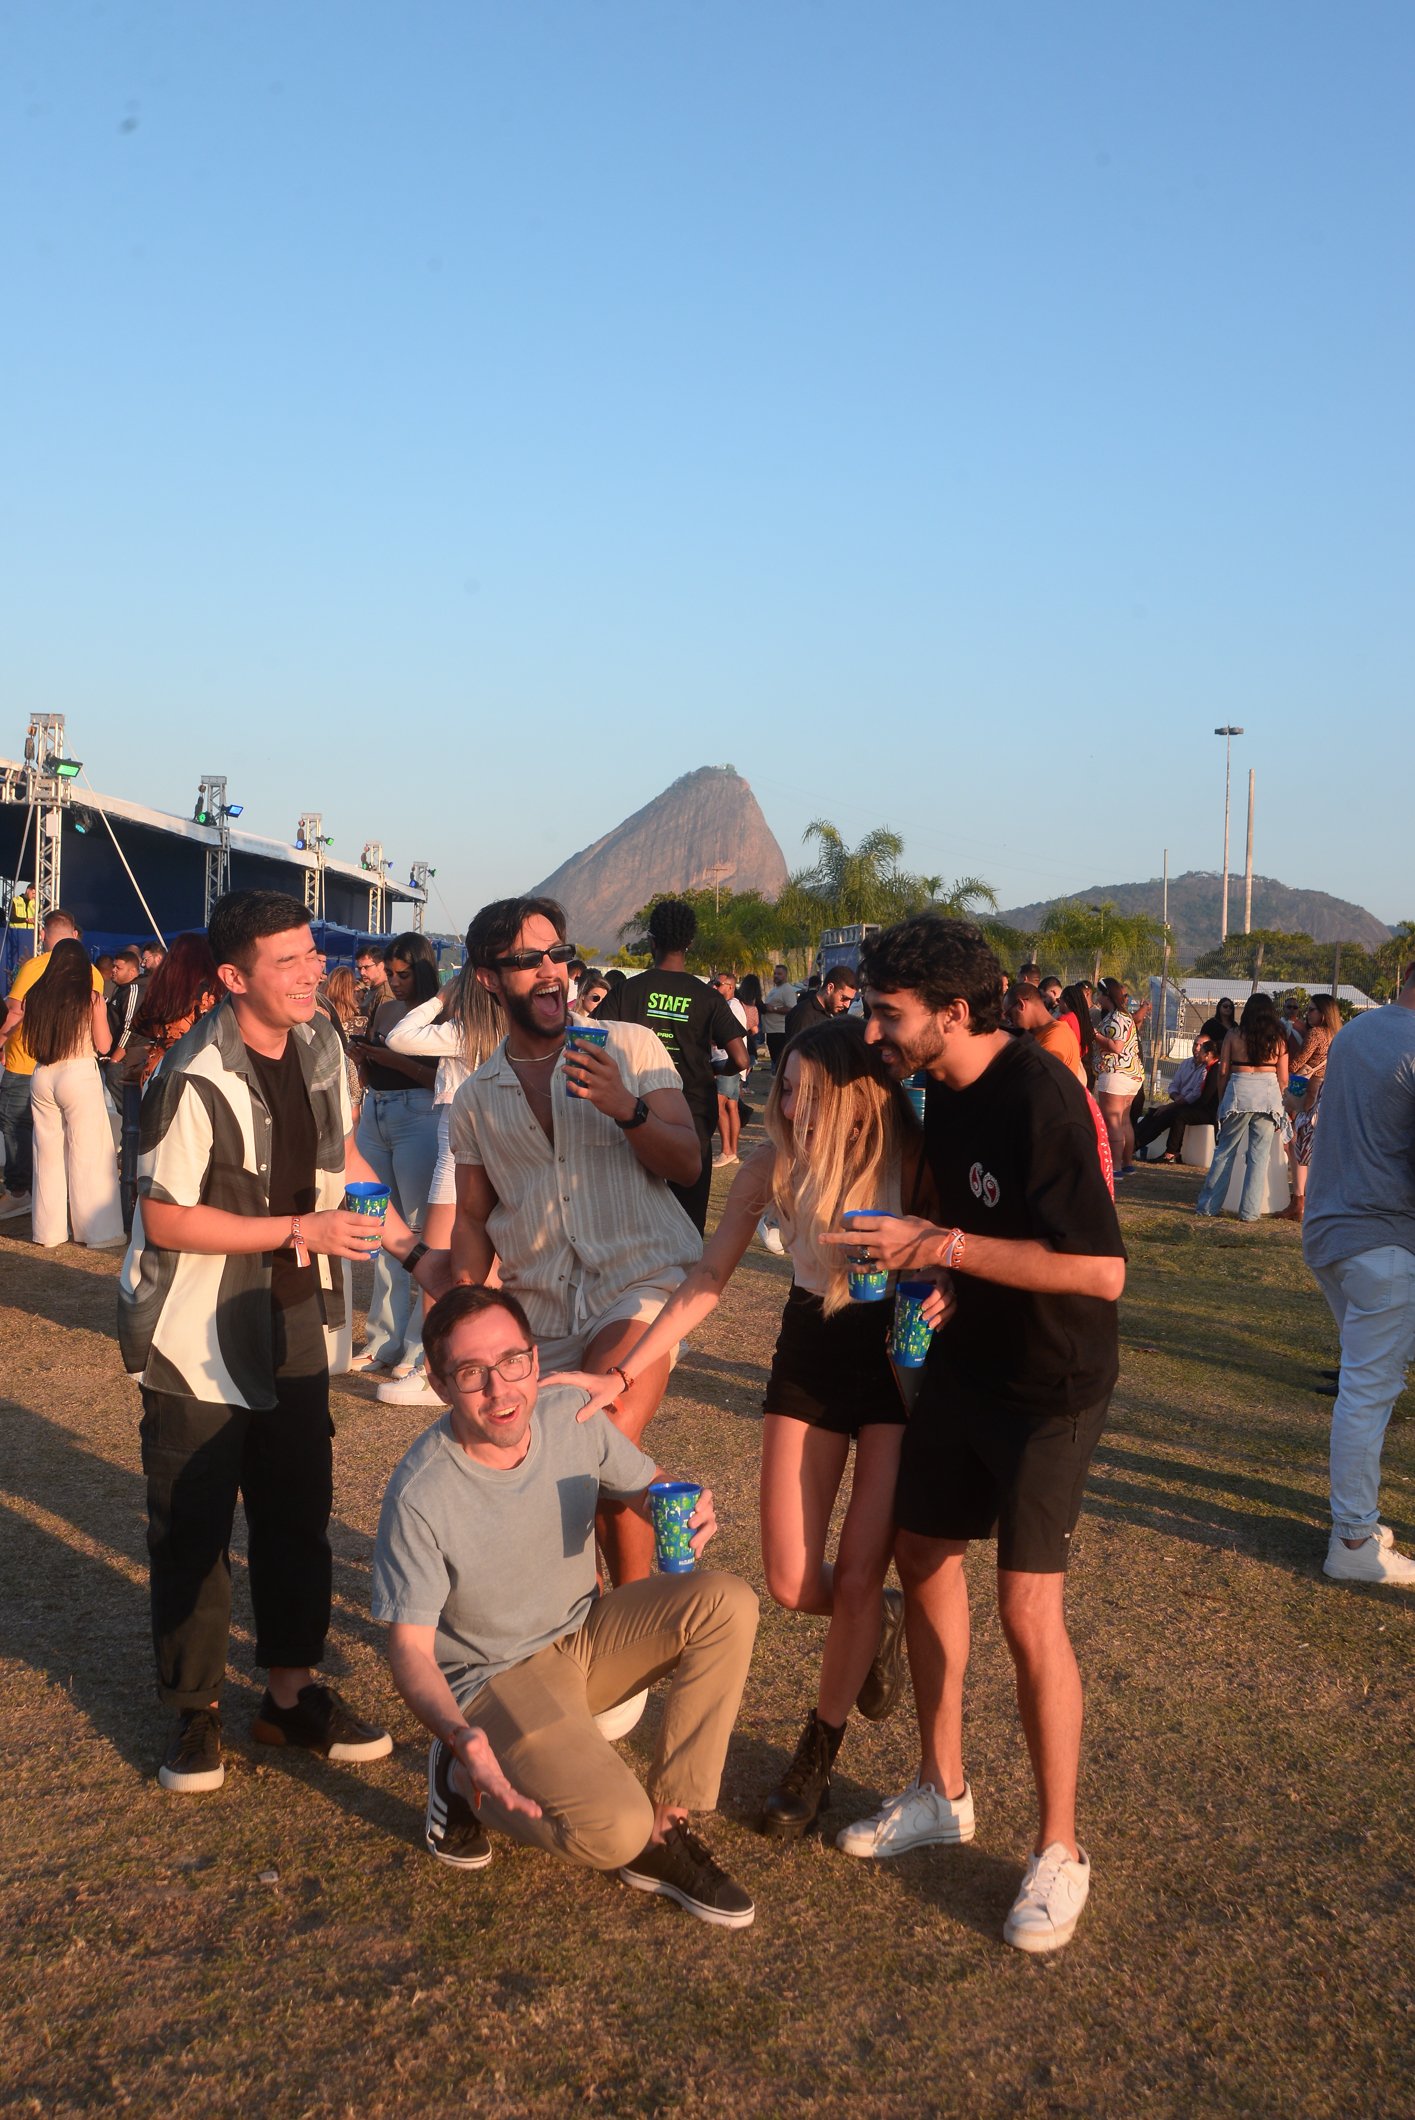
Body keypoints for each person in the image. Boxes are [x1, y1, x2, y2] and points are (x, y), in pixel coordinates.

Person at [819, 916, 1126, 1956]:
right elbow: (987, 1236)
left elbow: (1098, 1271)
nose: (869, 1029)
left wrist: (941, 1245)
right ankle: (940, 1788)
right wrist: (949, 1274)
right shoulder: (937, 1089)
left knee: (1025, 1608)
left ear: (953, 1012)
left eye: (886, 1012)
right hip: (968, 1364)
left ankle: (1059, 1847)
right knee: (920, 1555)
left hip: (1051, 1382)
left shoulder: (1043, 1094)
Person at [119, 889, 446, 1793]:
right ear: (235, 978)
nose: (313, 973)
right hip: (197, 1331)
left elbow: (346, 1158)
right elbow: (166, 1218)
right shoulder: (192, 1073)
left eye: (312, 954)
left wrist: (415, 1253)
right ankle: (194, 1711)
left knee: (297, 1510)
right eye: (289, 961)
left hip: (297, 1316)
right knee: (192, 1524)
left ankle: (291, 1696)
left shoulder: (322, 1044)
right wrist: (302, 1230)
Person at [562, 1018, 923, 1838]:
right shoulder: (769, 1163)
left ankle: (816, 1755)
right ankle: (879, 1618)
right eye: (784, 1089)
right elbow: (707, 1274)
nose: (790, 1109)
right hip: (811, 1351)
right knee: (792, 1583)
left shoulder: (910, 1157)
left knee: (855, 1574)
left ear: (856, 1096)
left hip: (896, 1360)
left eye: (810, 1094)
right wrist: (623, 1371)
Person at [373, 1284, 758, 1924]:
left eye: (513, 1361)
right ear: (439, 1386)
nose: (501, 1390)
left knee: (726, 1602)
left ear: (535, 1356)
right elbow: (410, 1653)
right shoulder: (420, 1494)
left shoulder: (569, 1415)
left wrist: (684, 1503)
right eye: (471, 1373)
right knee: (613, 1830)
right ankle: (460, 1777)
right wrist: (461, 1736)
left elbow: (646, 1485)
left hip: (583, 1634)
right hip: (495, 1677)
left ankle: (667, 1830)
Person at [450, 896, 702, 1584]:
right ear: (488, 978)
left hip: (639, 1281)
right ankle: (585, 1621)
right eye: (526, 960)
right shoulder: (476, 1097)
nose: (551, 971)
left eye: (558, 954)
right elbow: (471, 1218)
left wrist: (626, 1107)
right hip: (540, 1308)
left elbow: (687, 1162)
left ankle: (629, 1628)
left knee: (600, 1430)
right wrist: (465, 1311)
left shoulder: (630, 1047)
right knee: (573, 1484)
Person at [1302, 963, 1415, 1586]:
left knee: (1366, 1383)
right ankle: (1352, 1539)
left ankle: (1358, 1526)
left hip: (1332, 1232)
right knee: (1369, 1392)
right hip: (1384, 1241)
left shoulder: (1358, 1034)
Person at [380, 964, 504, 1404]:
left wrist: (439, 998)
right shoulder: (502, 1034)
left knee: (437, 1261)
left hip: (457, 1155)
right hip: (492, 1151)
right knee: (487, 1266)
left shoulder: (461, 1032)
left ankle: (434, 1370)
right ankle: (468, 1362)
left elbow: (398, 1036)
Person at [593, 900, 747, 1232]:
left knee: (633, 1221)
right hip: (692, 1117)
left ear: (651, 941)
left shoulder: (627, 991)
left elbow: (591, 1038)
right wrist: (715, 1072)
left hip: (635, 1113)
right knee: (688, 1224)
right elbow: (742, 1059)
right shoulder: (707, 997)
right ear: (689, 942)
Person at [348, 934, 442, 1385]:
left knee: (421, 1232)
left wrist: (391, 1057)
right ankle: (383, 1338)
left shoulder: (442, 1014)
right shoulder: (384, 1009)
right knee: (379, 1226)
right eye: (390, 973)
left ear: (422, 970)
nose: (395, 981)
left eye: (403, 974)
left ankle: (420, 1345)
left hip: (419, 1114)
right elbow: (373, 1074)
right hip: (377, 1111)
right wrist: (364, 1058)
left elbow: (440, 1079)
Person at [0, 907, 104, 1221]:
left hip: (29, 1062)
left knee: (22, 1131)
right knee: (75, 1143)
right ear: (75, 935)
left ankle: (22, 1194)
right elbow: (100, 1036)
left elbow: (15, 1010)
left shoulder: (35, 967)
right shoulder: (93, 974)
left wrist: (2, 1040)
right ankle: (80, 1212)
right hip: (76, 1066)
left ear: (44, 935)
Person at [21, 937, 124, 1247]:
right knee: (88, 1153)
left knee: (47, 1155)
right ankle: (97, 1232)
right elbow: (104, 1045)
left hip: (42, 1073)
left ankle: (47, 1232)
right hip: (78, 1072)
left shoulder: (34, 996)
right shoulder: (91, 998)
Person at [1195, 994, 1290, 1221]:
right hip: (1268, 1096)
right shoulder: (1278, 1038)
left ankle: (1208, 1207)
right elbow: (1284, 1079)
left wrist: (1222, 1100)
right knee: (1259, 1156)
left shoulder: (1234, 1034)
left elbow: (1223, 1072)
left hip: (1239, 1091)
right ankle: (1249, 1212)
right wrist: (1283, 1108)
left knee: (1225, 1152)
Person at [1282, 995, 1344, 1223]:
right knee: (1316, 1148)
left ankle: (1298, 1201)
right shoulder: (1338, 1035)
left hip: (1309, 1091)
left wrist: (1281, 1065)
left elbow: (1298, 1062)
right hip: (1328, 1092)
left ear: (1324, 1014)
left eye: (1312, 1010)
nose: (1307, 1014)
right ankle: (1309, 1198)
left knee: (1298, 1144)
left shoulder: (1317, 1033)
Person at [132, 933, 221, 1085]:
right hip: (198, 1066)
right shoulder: (210, 988)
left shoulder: (160, 986)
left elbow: (140, 1025)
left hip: (158, 1066)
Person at [1133, 1034, 1221, 1161]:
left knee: (1171, 1115)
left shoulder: (1209, 1069)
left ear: (1208, 1054)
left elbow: (1197, 1095)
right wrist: (1175, 1097)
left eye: (1201, 1047)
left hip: (1193, 1106)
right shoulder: (1186, 1063)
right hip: (1181, 1102)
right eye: (1195, 1044)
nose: (1197, 1049)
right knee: (1153, 1113)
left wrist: (1174, 1105)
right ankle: (1130, 1142)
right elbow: (1174, 1085)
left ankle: (1166, 1152)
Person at [1090, 978, 1144, 1176]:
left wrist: (1095, 1035)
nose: (1097, 997)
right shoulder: (1124, 1015)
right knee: (1124, 1121)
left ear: (1107, 995)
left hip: (1116, 1073)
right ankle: (1127, 1163)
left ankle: (1115, 1167)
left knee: (1112, 1121)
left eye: (1099, 993)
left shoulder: (1117, 1017)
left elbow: (1116, 1046)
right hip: (1130, 1074)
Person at [1004, 983, 1085, 1083]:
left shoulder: (1057, 1035)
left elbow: (1034, 1078)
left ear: (1021, 1005)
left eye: (1009, 1015)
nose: (1009, 1022)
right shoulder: (1039, 1034)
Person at [709, 971, 750, 1166]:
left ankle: (726, 1151)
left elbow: (725, 1035)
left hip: (727, 1061)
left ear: (731, 987)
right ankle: (732, 1151)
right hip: (733, 1062)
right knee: (732, 1106)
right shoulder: (735, 1005)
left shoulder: (730, 1007)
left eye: (718, 984)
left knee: (717, 1105)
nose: (714, 987)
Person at [784, 965, 858, 1046]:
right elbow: (797, 1050)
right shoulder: (803, 1015)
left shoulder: (838, 1014)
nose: (847, 1005)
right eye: (844, 998)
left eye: (851, 1000)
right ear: (830, 988)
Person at [760, 965, 798, 1070]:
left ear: (785, 975)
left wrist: (774, 1009)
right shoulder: (775, 989)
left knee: (780, 1063)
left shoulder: (787, 989)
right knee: (775, 1062)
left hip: (780, 1032)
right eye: (775, 973)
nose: (776, 976)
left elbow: (792, 1009)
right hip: (771, 1031)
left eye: (779, 974)